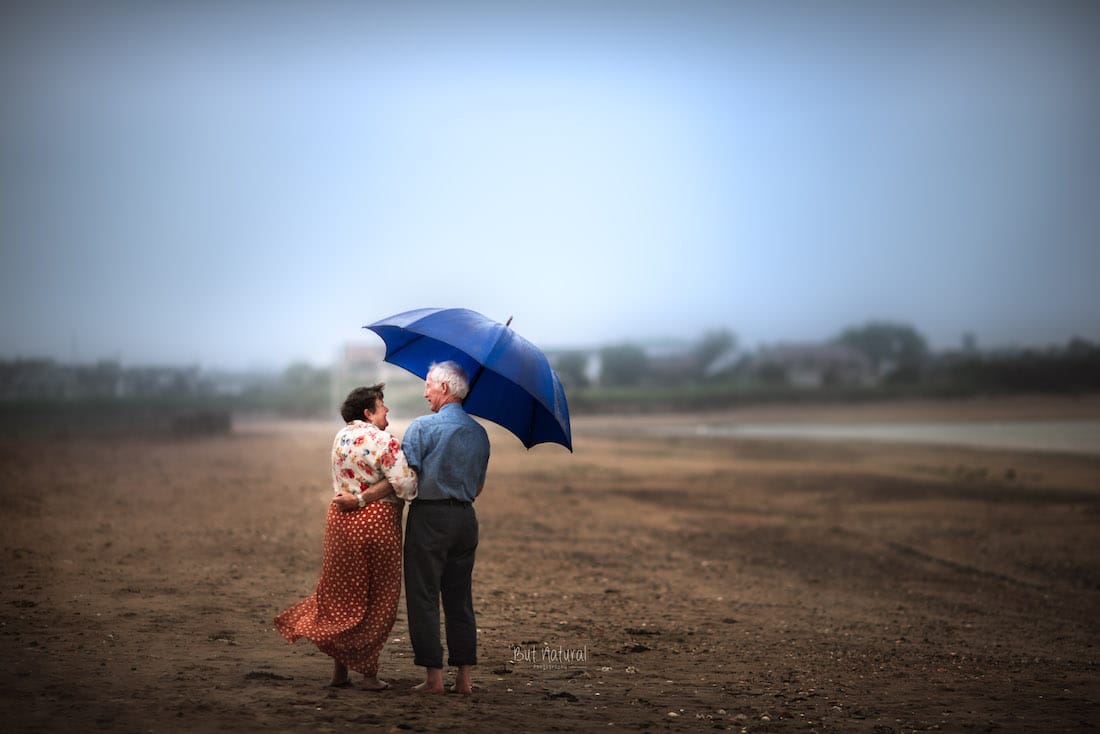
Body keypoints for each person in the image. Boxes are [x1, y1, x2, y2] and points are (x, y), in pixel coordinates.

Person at [275, 384, 417, 690]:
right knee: (378, 597)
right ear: (368, 412)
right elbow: (407, 488)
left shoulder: (340, 437)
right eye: (382, 405)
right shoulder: (385, 441)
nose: (387, 409)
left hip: (340, 521)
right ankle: (369, 675)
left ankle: (339, 674)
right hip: (377, 522)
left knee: (343, 596)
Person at [401, 361, 491, 694]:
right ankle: (464, 679)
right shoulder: (480, 433)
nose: (424, 392)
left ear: (444, 388)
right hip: (465, 519)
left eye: (428, 385)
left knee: (423, 596)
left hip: (429, 517)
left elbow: (406, 478)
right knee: (459, 598)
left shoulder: (422, 427)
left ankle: (433, 679)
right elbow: (478, 486)